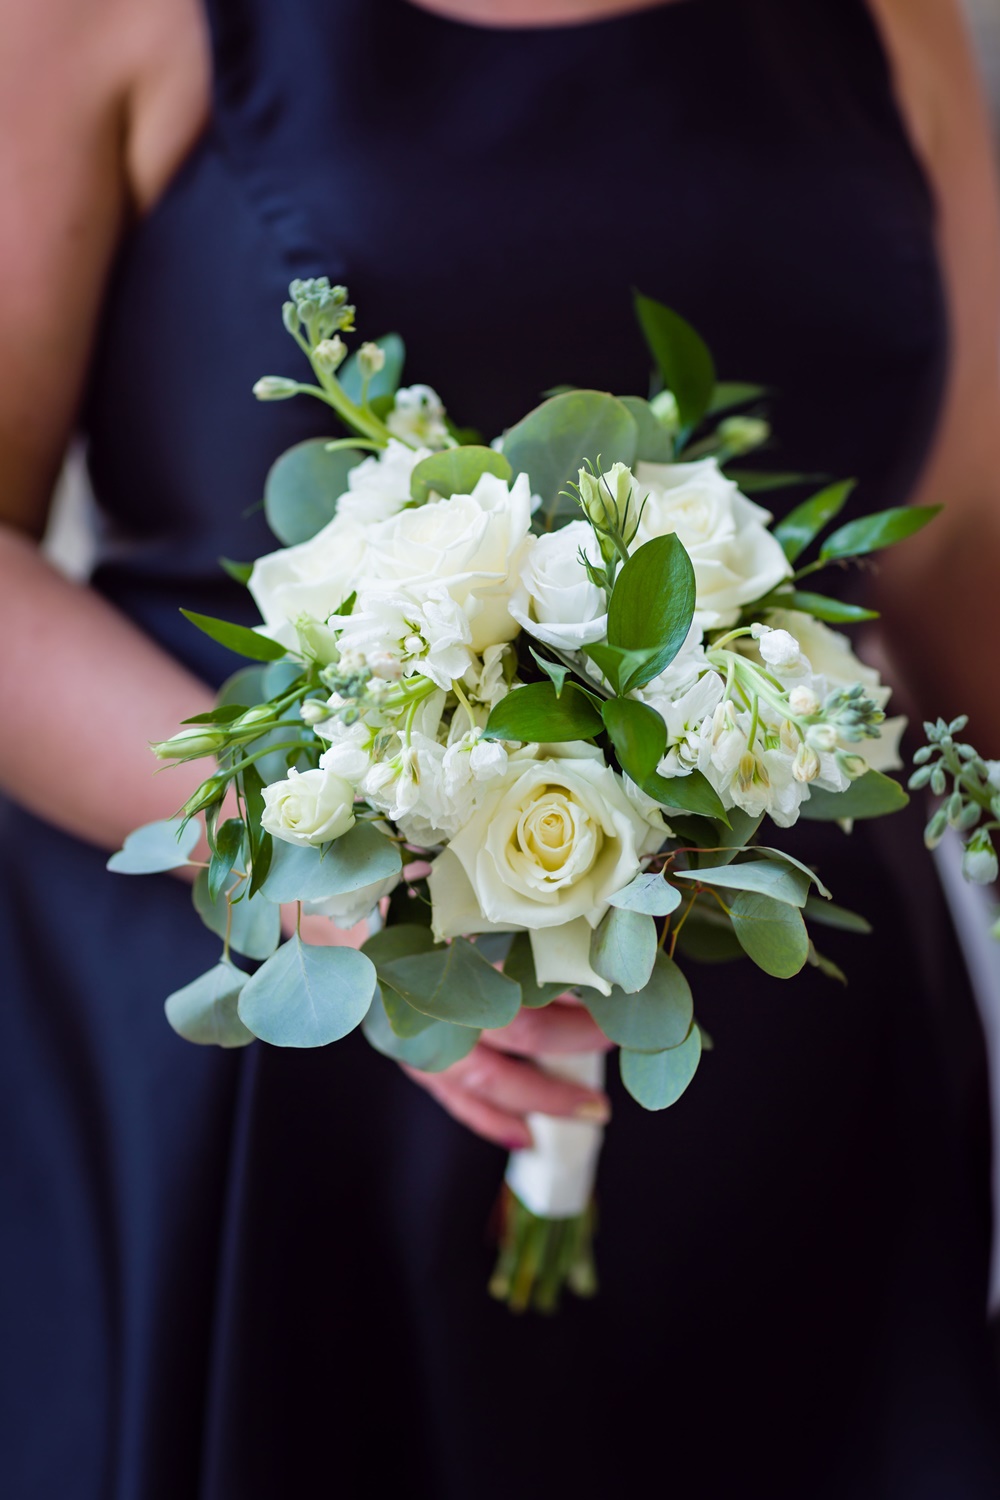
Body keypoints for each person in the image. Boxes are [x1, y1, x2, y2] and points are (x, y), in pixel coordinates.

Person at [2, 0, 999, 1494]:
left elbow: (961, 553)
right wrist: (312, 866)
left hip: (789, 1106)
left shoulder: (887, 23)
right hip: (273, 1061)